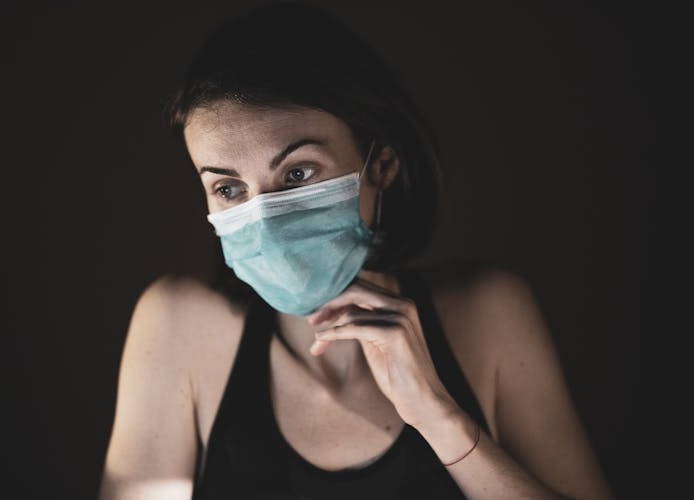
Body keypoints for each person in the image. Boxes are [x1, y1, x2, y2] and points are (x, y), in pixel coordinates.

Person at [99, 4, 614, 499]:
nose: (266, 218)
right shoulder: (176, 325)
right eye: (230, 189)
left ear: (382, 165)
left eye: (298, 173)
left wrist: (440, 417)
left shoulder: (489, 311)